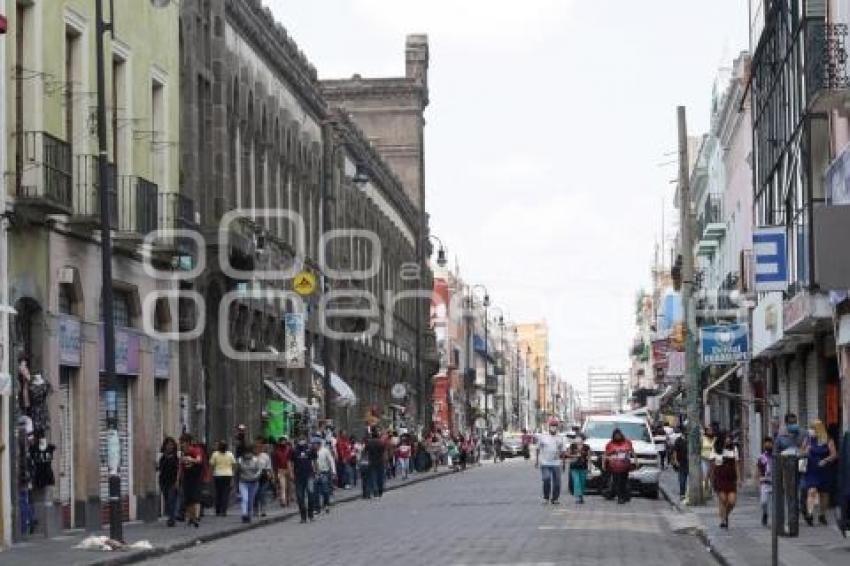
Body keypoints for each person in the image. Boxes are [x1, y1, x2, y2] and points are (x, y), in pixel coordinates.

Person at [801, 419, 838, 526]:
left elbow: (834, 454)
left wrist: (825, 460)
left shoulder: (828, 439)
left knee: (824, 493)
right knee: (811, 490)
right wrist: (805, 451)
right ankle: (810, 514)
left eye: (813, 428)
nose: (811, 430)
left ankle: (822, 515)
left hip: (824, 469)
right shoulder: (808, 439)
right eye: (811, 428)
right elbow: (801, 452)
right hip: (811, 469)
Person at [711, 431, 741, 529]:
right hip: (719, 477)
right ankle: (723, 520)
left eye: (729, 438)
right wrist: (710, 479)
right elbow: (712, 465)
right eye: (726, 437)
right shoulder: (715, 449)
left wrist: (739, 478)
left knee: (732, 501)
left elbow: (736, 465)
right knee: (723, 499)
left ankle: (725, 515)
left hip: (731, 478)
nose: (728, 440)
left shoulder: (734, 449)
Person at [535, 417, 566, 505]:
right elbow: (537, 449)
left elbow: (563, 451)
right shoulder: (543, 436)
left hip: (556, 463)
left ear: (557, 427)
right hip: (545, 463)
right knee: (546, 479)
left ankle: (555, 499)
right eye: (552, 425)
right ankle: (546, 498)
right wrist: (537, 461)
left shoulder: (561, 437)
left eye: (555, 425)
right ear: (549, 426)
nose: (553, 427)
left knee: (557, 482)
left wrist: (563, 464)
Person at [290, 437, 318, 523]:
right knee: (300, 497)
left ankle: (311, 515)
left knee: (311, 495)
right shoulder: (294, 451)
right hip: (298, 476)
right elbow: (290, 462)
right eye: (300, 440)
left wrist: (316, 472)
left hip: (309, 475)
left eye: (303, 439)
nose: (302, 441)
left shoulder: (310, 449)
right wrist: (291, 473)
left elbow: (314, 461)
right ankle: (303, 517)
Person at [179, 434, 204, 528]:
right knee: (188, 498)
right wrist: (179, 478)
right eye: (181, 442)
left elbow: (199, 460)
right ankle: (191, 518)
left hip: (196, 477)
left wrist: (191, 459)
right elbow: (181, 467)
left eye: (183, 442)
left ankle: (196, 518)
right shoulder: (182, 453)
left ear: (188, 442)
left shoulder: (195, 450)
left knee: (195, 497)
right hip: (187, 477)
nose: (181, 444)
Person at [604, 428, 634, 504]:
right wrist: (607, 462)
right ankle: (620, 497)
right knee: (617, 482)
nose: (617, 437)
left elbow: (632, 452)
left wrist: (635, 462)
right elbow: (606, 455)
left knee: (623, 482)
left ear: (621, 435)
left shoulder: (627, 442)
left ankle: (624, 496)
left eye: (618, 435)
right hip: (614, 467)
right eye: (616, 435)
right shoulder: (610, 444)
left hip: (625, 466)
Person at [157, 437, 181, 527]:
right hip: (163, 481)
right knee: (167, 500)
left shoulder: (176, 458)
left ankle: (172, 518)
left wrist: (177, 481)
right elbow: (161, 469)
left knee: (171, 499)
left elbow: (179, 470)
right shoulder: (162, 457)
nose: (169, 447)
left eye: (171, 445)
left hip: (173, 481)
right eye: (168, 445)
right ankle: (171, 516)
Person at [236, 442, 262, 523]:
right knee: (245, 499)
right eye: (246, 453)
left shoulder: (255, 460)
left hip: (253, 482)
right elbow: (237, 471)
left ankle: (249, 514)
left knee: (251, 500)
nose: (247, 455)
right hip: (243, 482)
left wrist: (255, 476)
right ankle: (244, 514)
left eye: (249, 453)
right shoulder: (239, 460)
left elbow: (259, 470)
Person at [208, 440, 235, 517]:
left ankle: (218, 510)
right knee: (225, 494)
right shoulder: (230, 454)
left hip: (217, 475)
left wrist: (209, 476)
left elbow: (211, 466)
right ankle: (224, 511)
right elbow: (234, 465)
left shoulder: (215, 454)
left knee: (218, 493)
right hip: (227, 475)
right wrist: (233, 475)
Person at [316, 437, 336, 513]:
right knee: (316, 491)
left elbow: (331, 461)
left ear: (319, 444)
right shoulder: (312, 451)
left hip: (325, 472)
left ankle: (326, 504)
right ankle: (317, 508)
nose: (315, 445)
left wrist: (333, 471)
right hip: (316, 473)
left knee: (325, 490)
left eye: (316, 444)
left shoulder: (325, 451)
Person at [757, 436, 774, 527]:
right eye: (766, 443)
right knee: (764, 502)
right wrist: (759, 479)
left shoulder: (776, 455)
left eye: (769, 442)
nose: (768, 444)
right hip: (765, 482)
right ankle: (765, 514)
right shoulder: (762, 457)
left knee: (776, 502)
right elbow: (759, 469)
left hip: (775, 482)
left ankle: (776, 518)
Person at [253, 437, 272, 518]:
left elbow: (269, 467)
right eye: (256, 446)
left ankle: (263, 509)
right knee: (255, 494)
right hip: (253, 477)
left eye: (260, 446)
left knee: (262, 493)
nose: (258, 448)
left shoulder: (265, 456)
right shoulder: (251, 456)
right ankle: (256, 509)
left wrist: (270, 474)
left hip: (263, 477)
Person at [569, 432, 590, 504]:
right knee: (576, 481)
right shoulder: (572, 446)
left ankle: (581, 497)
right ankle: (578, 497)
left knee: (582, 482)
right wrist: (574, 456)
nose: (577, 439)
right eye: (576, 437)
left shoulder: (587, 447)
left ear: (583, 439)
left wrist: (589, 467)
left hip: (583, 467)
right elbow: (568, 454)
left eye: (579, 437)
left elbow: (589, 457)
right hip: (574, 466)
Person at [366, 428, 387, 498]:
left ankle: (375, 491)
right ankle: (380, 490)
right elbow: (383, 451)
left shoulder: (369, 442)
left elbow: (366, 451)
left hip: (372, 461)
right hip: (380, 461)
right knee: (380, 477)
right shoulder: (381, 442)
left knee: (373, 477)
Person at [272, 437, 292, 507]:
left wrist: (292, 470)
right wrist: (275, 472)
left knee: (288, 486)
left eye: (284, 441)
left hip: (288, 469)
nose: (283, 443)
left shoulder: (289, 450)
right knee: (282, 486)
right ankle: (283, 500)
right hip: (281, 470)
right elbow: (274, 463)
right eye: (282, 441)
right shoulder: (276, 452)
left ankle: (287, 499)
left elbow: (291, 460)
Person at [672, 425, 689, 500]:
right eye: (685, 432)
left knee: (689, 479)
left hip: (690, 463)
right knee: (682, 480)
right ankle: (682, 494)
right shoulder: (678, 440)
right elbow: (675, 451)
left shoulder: (691, 440)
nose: (686, 433)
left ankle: (689, 494)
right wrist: (675, 461)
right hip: (681, 462)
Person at [700, 424, 716, 499]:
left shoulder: (715, 439)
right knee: (705, 476)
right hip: (704, 459)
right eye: (708, 430)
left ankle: (712, 491)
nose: (710, 431)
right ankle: (705, 492)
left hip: (713, 460)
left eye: (711, 430)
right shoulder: (703, 438)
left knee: (712, 476)